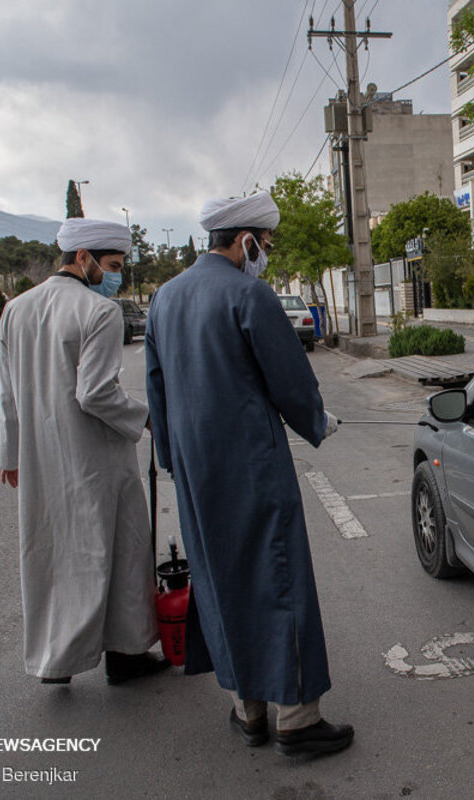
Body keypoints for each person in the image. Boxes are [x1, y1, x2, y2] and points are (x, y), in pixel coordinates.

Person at [145, 193, 351, 755]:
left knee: (221, 580)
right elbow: (288, 379)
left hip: (194, 472)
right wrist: (317, 420)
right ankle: (297, 719)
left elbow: (157, 389)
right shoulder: (248, 294)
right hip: (253, 466)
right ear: (247, 241)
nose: (266, 255)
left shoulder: (164, 298)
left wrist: (171, 458)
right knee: (277, 578)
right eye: (266, 244)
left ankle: (248, 710)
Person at [0, 218, 169, 686]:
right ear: (82, 258)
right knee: (123, 553)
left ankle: (56, 659)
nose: (113, 276)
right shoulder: (100, 312)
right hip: (96, 456)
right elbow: (94, 394)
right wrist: (147, 418)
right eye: (111, 265)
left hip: (40, 454)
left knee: (51, 554)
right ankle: (128, 655)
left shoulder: (16, 309)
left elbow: (7, 391)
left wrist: (10, 454)